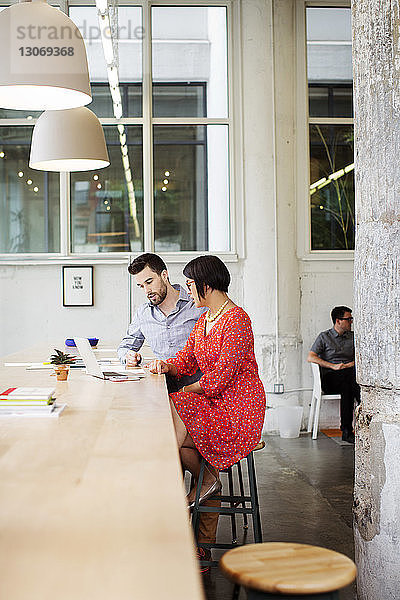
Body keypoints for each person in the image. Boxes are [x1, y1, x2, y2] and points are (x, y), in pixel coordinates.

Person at [117, 252, 215, 571]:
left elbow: (214, 352)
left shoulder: (195, 305)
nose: (146, 289)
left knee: (174, 454)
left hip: (199, 396)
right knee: (166, 457)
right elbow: (127, 344)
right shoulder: (143, 313)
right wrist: (128, 357)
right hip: (163, 396)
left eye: (149, 281)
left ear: (163, 274)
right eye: (139, 285)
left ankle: (201, 545)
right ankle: (174, 537)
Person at [148, 255, 266, 511]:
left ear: (206, 285)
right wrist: (167, 366)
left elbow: (223, 374)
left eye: (190, 284)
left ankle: (165, 494)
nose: (187, 291)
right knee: (175, 434)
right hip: (214, 401)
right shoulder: (205, 320)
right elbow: (186, 359)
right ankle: (207, 481)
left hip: (238, 408)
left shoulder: (237, 319)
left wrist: (188, 388)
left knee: (175, 412)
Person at [307, 306, 360, 444]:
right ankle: (357, 425)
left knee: (349, 383)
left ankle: (347, 430)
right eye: (348, 319)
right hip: (330, 378)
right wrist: (333, 366)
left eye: (351, 319)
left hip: (348, 377)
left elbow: (362, 357)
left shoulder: (353, 337)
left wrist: (348, 365)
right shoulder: (324, 337)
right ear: (338, 321)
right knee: (349, 382)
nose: (351, 322)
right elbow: (311, 357)